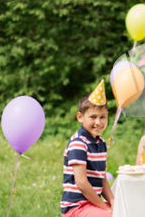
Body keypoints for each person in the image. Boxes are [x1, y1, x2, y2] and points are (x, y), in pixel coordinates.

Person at [61, 80, 114, 216]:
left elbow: (102, 178)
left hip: (93, 204)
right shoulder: (78, 144)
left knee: (126, 210)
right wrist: (105, 207)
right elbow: (82, 183)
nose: (98, 122)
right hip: (76, 207)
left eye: (102, 117)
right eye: (93, 117)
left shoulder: (101, 143)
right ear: (80, 117)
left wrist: (113, 202)